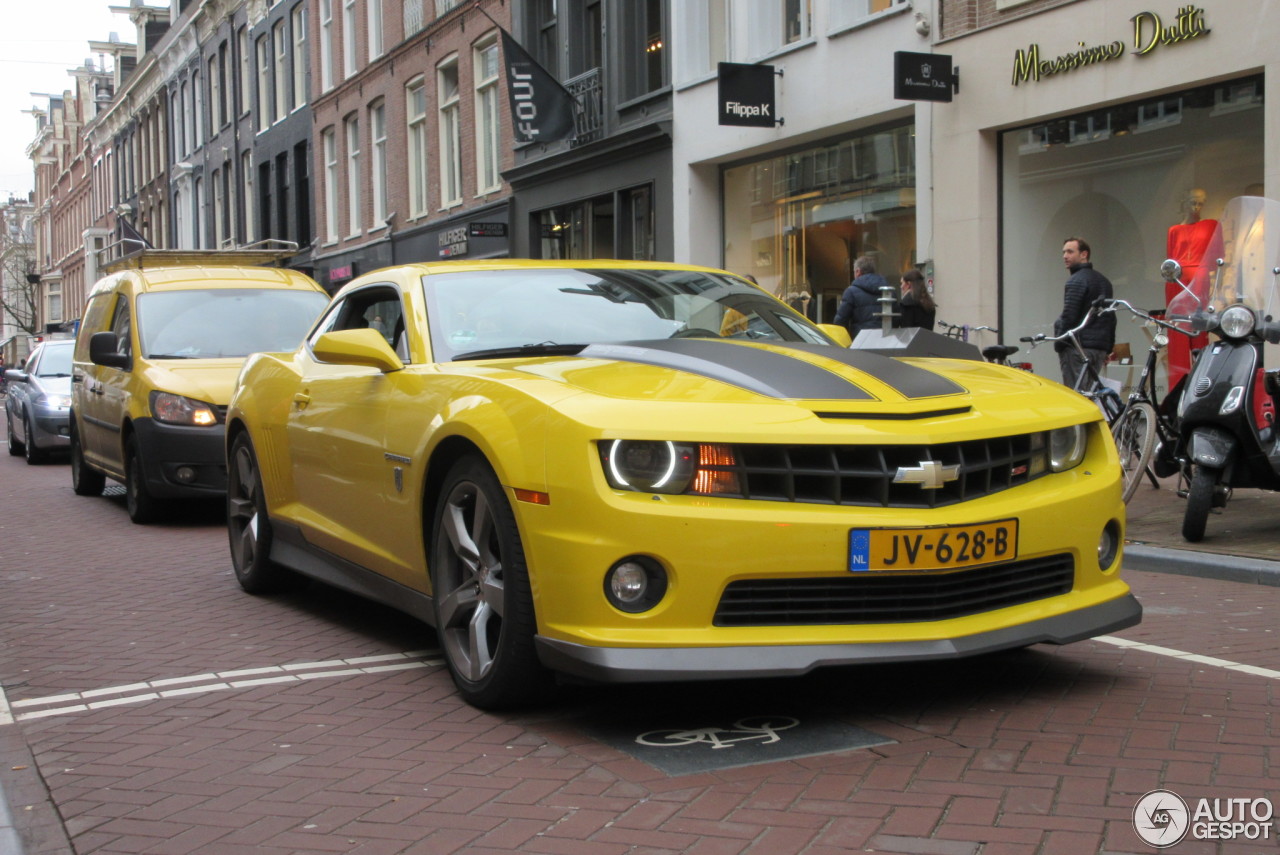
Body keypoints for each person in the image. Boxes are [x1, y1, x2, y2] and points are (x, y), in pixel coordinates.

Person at [1165, 188, 1215, 389]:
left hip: (1200, 280)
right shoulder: (1174, 230)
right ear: (1184, 203)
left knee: (1199, 330)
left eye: (1201, 203)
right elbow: (1170, 261)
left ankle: (1201, 383)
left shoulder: (1210, 225)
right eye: (1193, 202)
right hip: (1177, 280)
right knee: (1177, 332)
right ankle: (1177, 386)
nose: (1196, 207)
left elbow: (1216, 255)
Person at [1054, 237, 1115, 391]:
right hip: (1098, 348)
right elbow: (1110, 316)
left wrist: (1059, 342)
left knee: (1076, 395)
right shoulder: (1104, 281)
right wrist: (1107, 347)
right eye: (1064, 252)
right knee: (1090, 394)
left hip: (1078, 346)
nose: (1065, 256)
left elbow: (1069, 316)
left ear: (1084, 254)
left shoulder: (1076, 281)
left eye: (1070, 251)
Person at [833, 256, 892, 333]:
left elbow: (840, 320)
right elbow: (895, 318)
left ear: (858, 272)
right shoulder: (888, 290)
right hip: (886, 339)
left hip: (860, 340)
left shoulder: (851, 292)